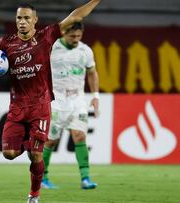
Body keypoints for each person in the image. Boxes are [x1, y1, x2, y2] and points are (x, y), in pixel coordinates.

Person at [0, 1, 101, 202]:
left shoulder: (46, 36)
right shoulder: (5, 43)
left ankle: (34, 195)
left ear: (35, 20)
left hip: (40, 106)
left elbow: (76, 16)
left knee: (36, 155)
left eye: (27, 18)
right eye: (19, 18)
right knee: (9, 153)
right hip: (17, 107)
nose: (23, 22)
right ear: (15, 20)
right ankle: (31, 140)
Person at [41, 22, 100, 190]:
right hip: (55, 102)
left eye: (79, 36)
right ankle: (43, 178)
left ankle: (86, 178)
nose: (76, 39)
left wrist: (95, 96)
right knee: (50, 141)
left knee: (80, 136)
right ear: (63, 33)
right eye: (72, 36)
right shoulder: (51, 48)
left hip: (77, 101)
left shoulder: (86, 51)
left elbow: (92, 73)